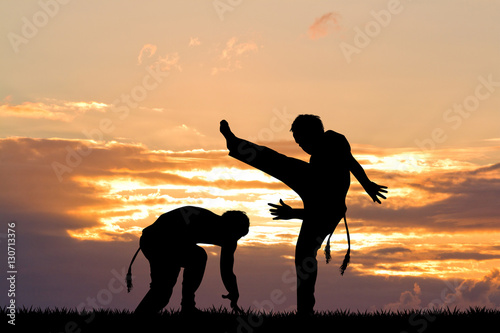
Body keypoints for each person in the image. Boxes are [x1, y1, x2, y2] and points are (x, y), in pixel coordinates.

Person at [220, 115, 387, 315]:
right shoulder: (317, 156)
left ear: (314, 133)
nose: (300, 145)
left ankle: (305, 311)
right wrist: (293, 213)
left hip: (327, 206)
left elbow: (348, 166)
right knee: (279, 163)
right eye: (297, 142)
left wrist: (367, 184)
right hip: (316, 191)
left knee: (304, 257)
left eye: (301, 140)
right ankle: (235, 143)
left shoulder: (333, 140)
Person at [126, 206, 249, 315]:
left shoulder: (228, 237)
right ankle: (187, 307)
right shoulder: (204, 220)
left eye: (240, 237)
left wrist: (234, 292)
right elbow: (172, 238)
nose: (235, 240)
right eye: (236, 235)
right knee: (197, 258)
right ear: (227, 226)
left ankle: (185, 307)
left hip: (164, 242)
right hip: (156, 240)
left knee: (162, 293)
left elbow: (226, 270)